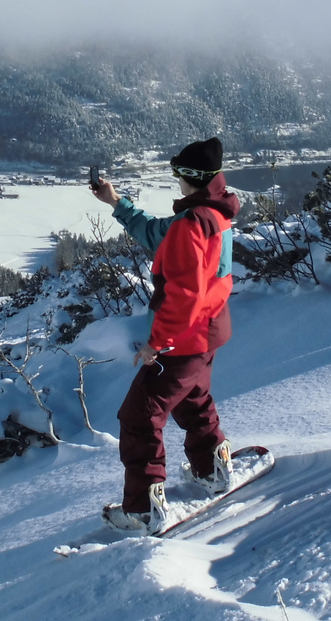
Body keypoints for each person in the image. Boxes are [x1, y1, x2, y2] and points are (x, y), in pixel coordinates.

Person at [91, 136, 240, 532]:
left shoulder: (191, 226)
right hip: (209, 332)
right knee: (193, 399)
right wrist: (115, 202)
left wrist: (159, 343)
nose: (175, 179)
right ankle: (213, 470)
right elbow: (158, 233)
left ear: (188, 176)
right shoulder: (214, 214)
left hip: (185, 338)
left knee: (139, 417)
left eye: (178, 172)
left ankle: (142, 510)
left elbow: (184, 294)